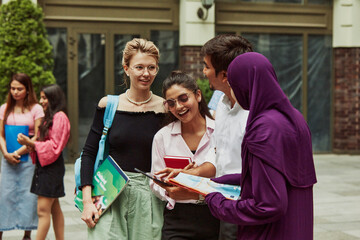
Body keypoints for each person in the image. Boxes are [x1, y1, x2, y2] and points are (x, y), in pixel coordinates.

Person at [205, 52, 317, 240]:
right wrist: (224, 181)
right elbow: (279, 175)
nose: (232, 91)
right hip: (298, 225)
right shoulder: (294, 118)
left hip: (271, 232)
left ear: (245, 85)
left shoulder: (263, 127)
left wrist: (217, 203)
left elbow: (269, 205)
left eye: (232, 84)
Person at [80, 38, 166, 240]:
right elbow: (89, 153)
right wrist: (87, 201)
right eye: (139, 67)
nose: (146, 73)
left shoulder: (164, 108)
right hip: (110, 191)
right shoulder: (108, 105)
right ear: (126, 68)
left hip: (149, 194)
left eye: (151, 67)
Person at [151, 70, 220, 240]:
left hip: (216, 216)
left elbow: (228, 174)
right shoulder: (162, 137)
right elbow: (155, 181)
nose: (179, 107)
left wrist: (197, 192)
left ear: (197, 95)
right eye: (171, 103)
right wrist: (170, 192)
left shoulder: (219, 131)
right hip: (178, 219)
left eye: (183, 98)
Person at [17, 84, 70, 240]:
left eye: (44, 98)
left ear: (54, 98)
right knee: (54, 208)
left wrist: (32, 143)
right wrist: (27, 144)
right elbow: (42, 141)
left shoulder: (60, 117)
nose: (41, 101)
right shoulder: (51, 116)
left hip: (51, 167)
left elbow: (55, 146)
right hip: (46, 165)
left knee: (42, 210)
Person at [0, 73, 44, 240]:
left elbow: (37, 136)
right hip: (7, 159)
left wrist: (18, 152)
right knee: (4, 195)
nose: (15, 92)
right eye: (12, 88)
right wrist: (5, 153)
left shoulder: (36, 109)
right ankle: (2, 230)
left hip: (28, 159)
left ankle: (27, 233)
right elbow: (1, 135)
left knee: (28, 195)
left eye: (19, 89)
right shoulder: (4, 108)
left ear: (27, 90)